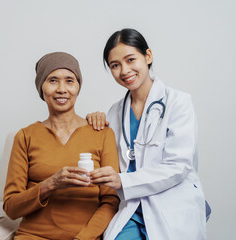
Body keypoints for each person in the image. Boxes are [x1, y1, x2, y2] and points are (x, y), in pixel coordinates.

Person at [86, 29, 207, 240]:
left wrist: (122, 181)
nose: (124, 70)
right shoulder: (115, 112)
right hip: (132, 209)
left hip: (171, 205)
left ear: (148, 56)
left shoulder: (178, 103)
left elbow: (178, 166)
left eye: (131, 59)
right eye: (115, 65)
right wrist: (93, 120)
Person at [3, 52, 120, 240]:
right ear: (41, 88)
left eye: (69, 81)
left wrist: (83, 238)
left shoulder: (102, 134)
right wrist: (51, 184)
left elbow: (111, 201)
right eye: (53, 80)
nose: (62, 89)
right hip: (33, 236)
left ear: (78, 87)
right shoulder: (25, 137)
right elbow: (11, 207)